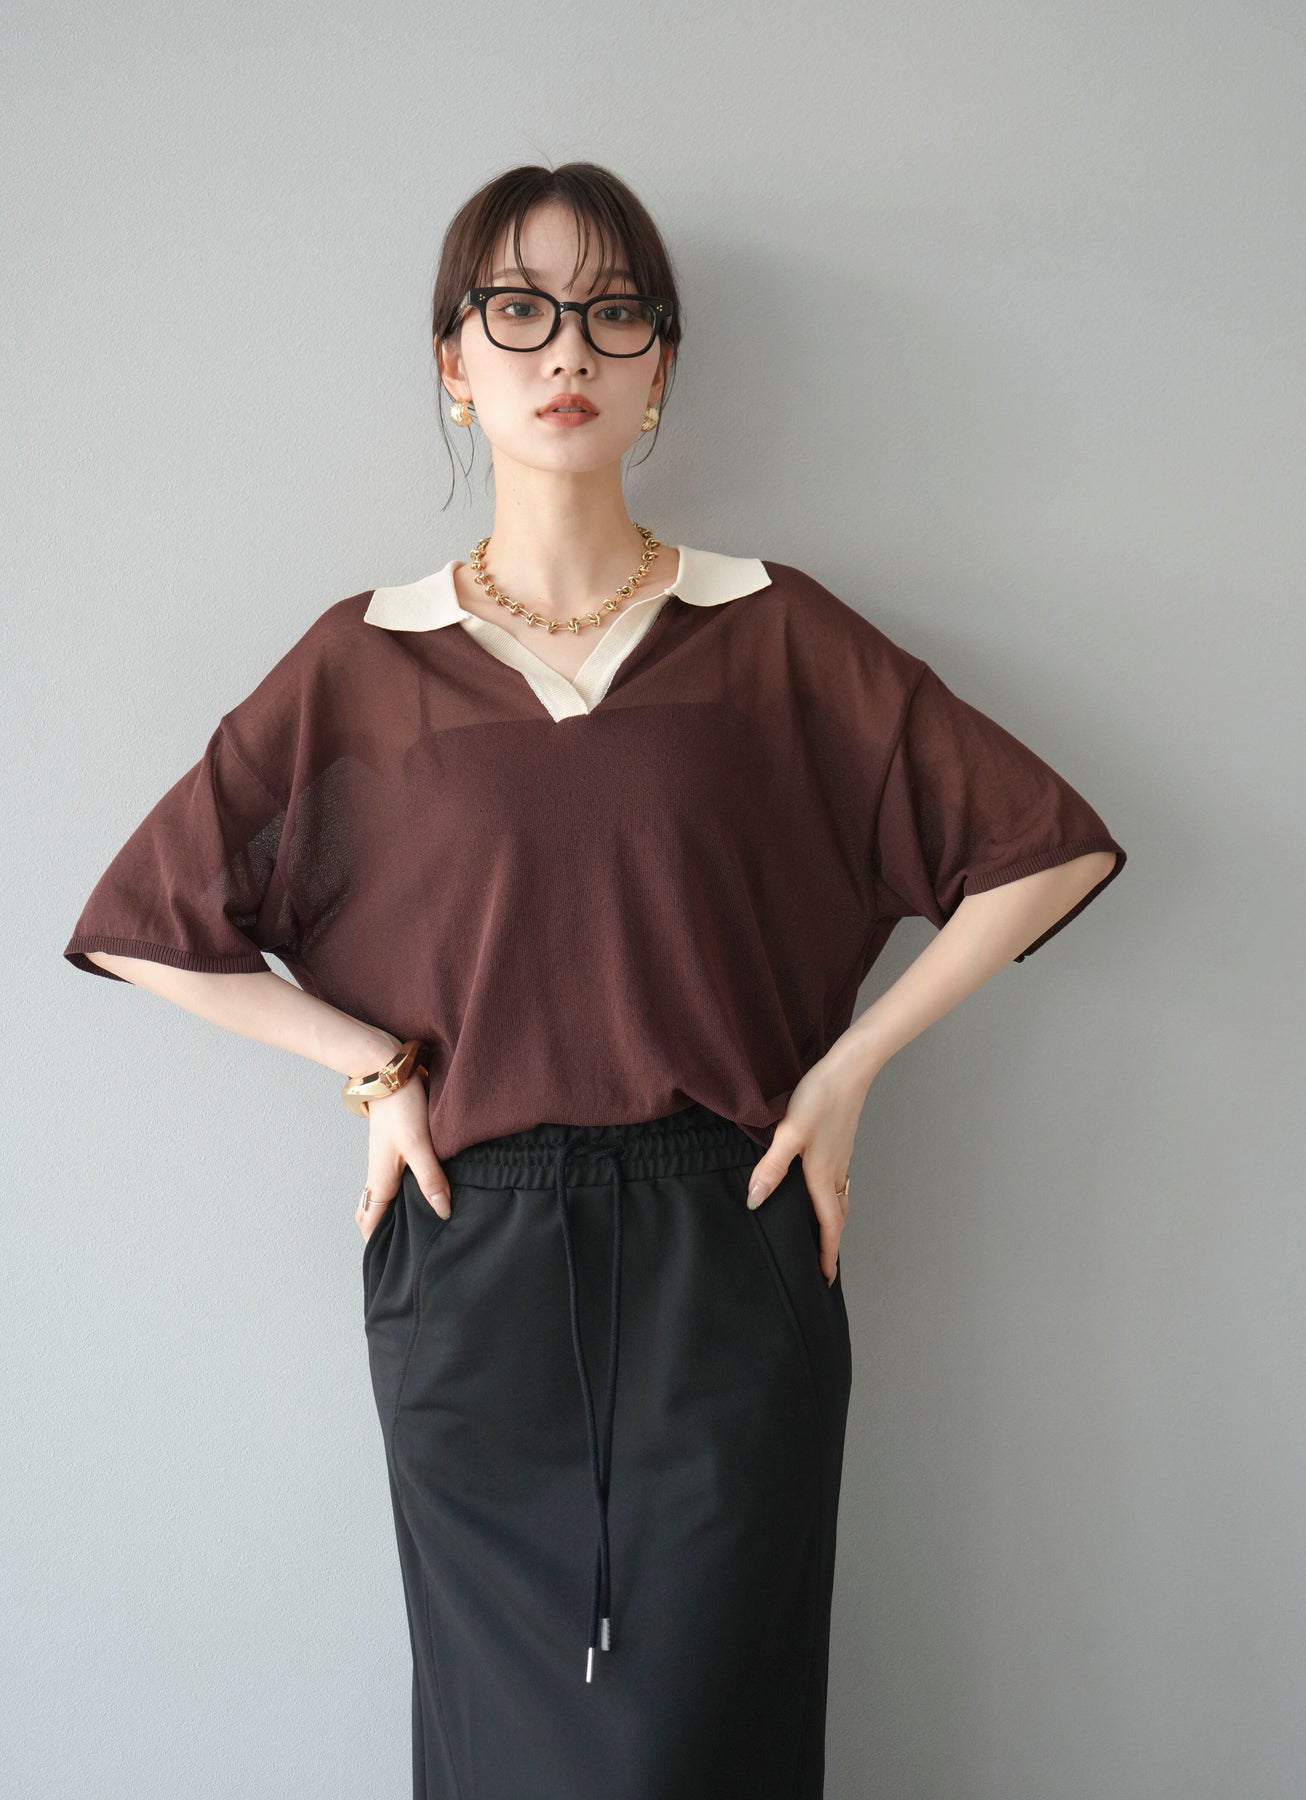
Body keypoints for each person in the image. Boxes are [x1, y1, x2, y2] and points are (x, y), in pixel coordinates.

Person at [63, 161, 1127, 1799]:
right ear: (453, 360)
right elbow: (149, 918)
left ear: (659, 369)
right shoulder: (367, 658)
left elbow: (1038, 851)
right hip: (470, 1258)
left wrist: (847, 1072)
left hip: (729, 1239)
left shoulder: (770, 631)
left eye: (614, 313)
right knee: (505, 1753)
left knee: (706, 1742)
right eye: (520, 309)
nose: (568, 347)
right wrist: (372, 1068)